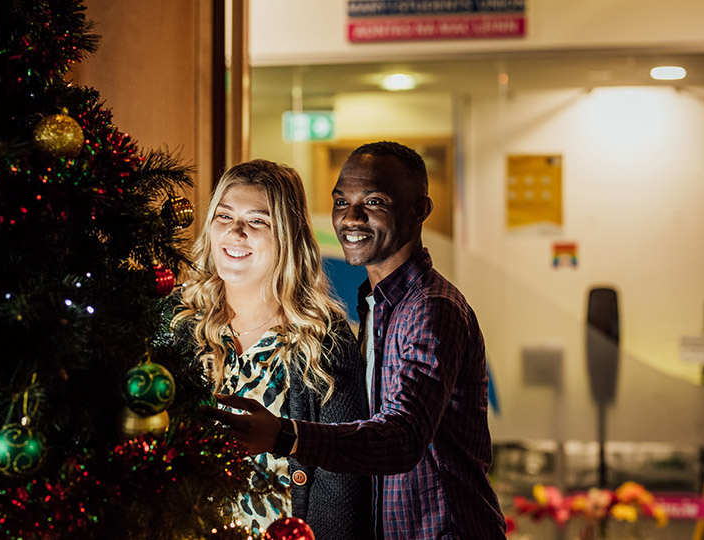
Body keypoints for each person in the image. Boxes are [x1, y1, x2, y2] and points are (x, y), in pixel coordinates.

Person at [208, 142, 507, 540]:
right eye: (340, 201)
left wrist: (284, 435)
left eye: (374, 201)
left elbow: (403, 436)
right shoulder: (377, 303)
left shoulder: (430, 308)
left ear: (418, 210)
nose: (351, 217)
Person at [173, 159, 373, 540]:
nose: (235, 232)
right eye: (224, 216)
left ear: (288, 235)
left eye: (257, 221)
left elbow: (341, 483)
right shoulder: (179, 322)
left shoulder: (323, 340)